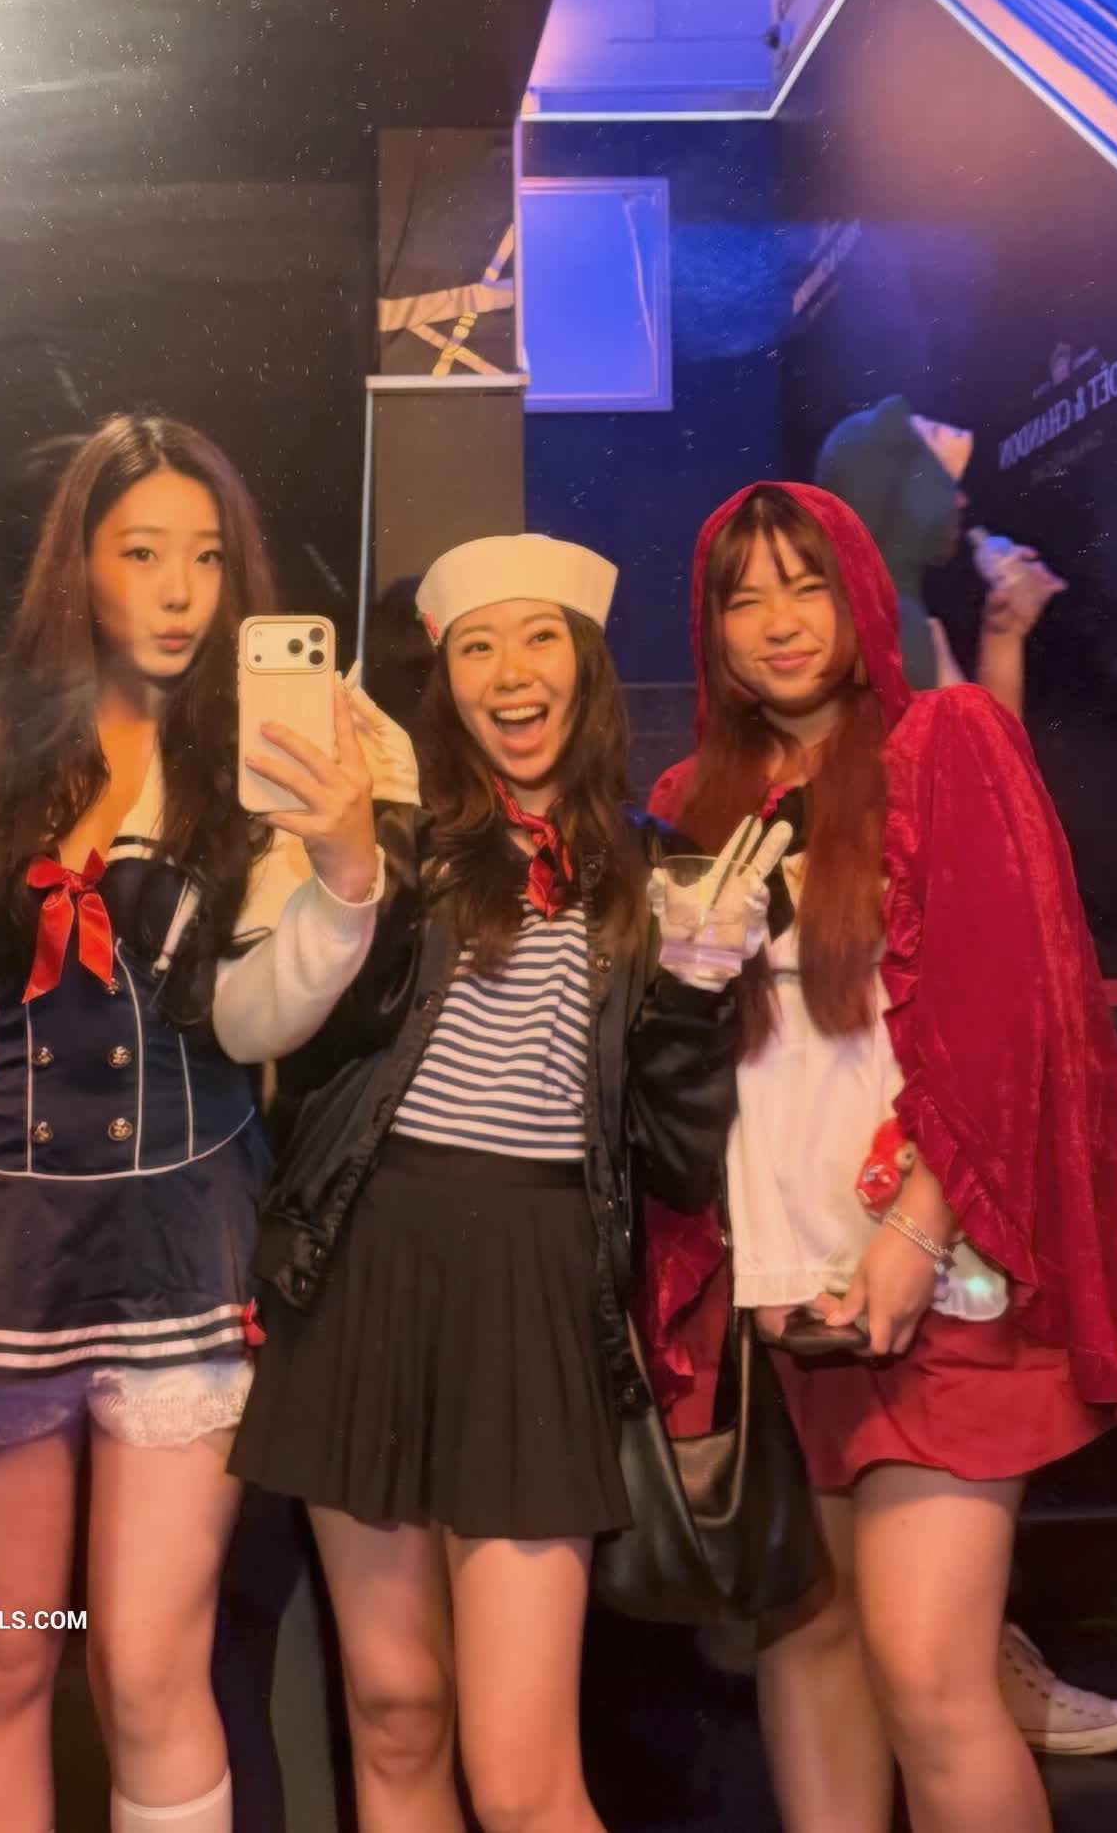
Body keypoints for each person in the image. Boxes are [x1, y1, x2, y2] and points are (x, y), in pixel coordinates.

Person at [0, 412, 396, 1833]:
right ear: (76, 566)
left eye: (205, 558)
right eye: (141, 553)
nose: (179, 591)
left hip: (179, 1235)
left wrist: (346, 872)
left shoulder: (259, 767)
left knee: (150, 1670)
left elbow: (251, 1020)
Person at [230, 534, 744, 1833]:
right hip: (366, 1266)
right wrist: (343, 864)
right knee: (395, 1710)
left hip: (537, 1285)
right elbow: (303, 1040)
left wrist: (695, 998)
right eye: (477, 646)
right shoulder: (397, 847)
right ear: (445, 680)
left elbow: (680, 1157)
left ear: (586, 666)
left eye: (539, 638)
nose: (511, 672)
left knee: (521, 1778)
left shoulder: (659, 873)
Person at [648, 482, 1117, 1832]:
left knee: (928, 1673)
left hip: (937, 1267)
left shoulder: (946, 742)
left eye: (804, 583)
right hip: (782, 1291)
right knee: (809, 1642)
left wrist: (917, 1229)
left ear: (860, 591)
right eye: (742, 596)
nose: (777, 622)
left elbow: (1010, 1014)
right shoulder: (694, 802)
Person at [815, 396, 1064, 719]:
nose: (961, 501)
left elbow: (990, 743)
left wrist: (1003, 633)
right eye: (943, 485)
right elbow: (981, 751)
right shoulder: (886, 630)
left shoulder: (911, 626)